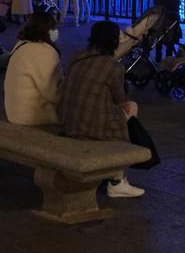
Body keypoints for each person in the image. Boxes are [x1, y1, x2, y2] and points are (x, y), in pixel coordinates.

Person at [59, 20, 146, 197]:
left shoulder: (77, 57)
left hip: (68, 121)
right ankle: (117, 179)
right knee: (132, 107)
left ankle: (115, 175)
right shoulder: (113, 66)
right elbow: (119, 100)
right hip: (91, 125)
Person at [4, 11, 63, 125]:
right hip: (34, 115)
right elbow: (53, 92)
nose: (56, 32)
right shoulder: (45, 52)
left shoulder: (21, 46)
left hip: (13, 112)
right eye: (53, 28)